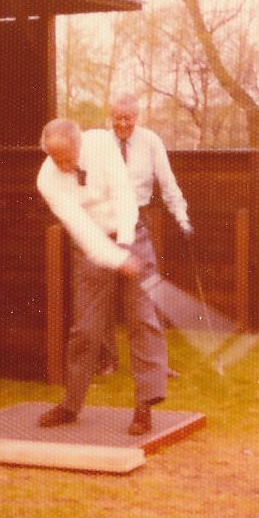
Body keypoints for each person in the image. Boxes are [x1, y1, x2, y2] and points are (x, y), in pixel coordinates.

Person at [34, 117, 167, 436]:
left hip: (129, 232)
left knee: (142, 320)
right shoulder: (46, 180)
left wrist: (124, 244)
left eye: (67, 157)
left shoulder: (103, 144)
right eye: (55, 158)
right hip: (92, 246)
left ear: (79, 143)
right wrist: (115, 257)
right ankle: (70, 405)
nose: (63, 165)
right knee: (86, 329)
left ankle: (144, 407)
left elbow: (124, 195)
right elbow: (80, 228)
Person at [98, 93, 192, 377]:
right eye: (117, 118)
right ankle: (107, 361)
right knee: (103, 292)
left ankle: (156, 364)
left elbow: (168, 183)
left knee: (146, 294)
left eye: (128, 118)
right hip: (107, 221)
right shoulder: (101, 143)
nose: (123, 124)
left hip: (138, 220)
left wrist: (182, 217)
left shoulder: (150, 141)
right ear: (110, 116)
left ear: (137, 118)